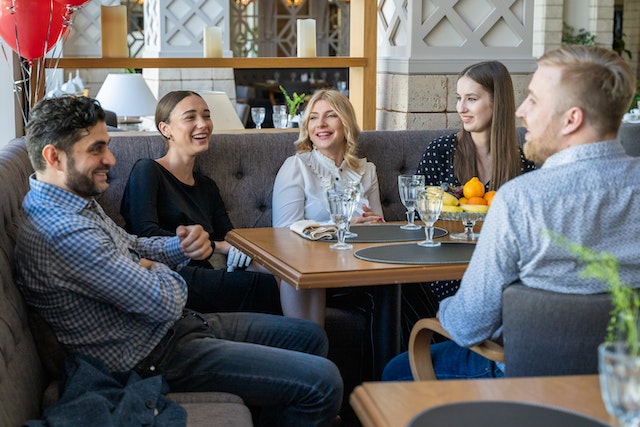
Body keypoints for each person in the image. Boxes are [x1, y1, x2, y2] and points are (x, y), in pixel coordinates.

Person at [15, 95, 343, 426]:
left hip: (176, 328)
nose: (111, 159)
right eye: (96, 149)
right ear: (54, 157)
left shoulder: (73, 201)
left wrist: (178, 248)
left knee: (309, 335)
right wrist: (157, 269)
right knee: (324, 381)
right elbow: (163, 302)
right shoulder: (64, 231)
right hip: (154, 355)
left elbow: (133, 244)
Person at [383, 45, 640, 381]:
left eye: (534, 100)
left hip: (528, 378)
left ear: (572, 119)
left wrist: (445, 314)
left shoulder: (521, 200)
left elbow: (467, 325)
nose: (520, 111)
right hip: (625, 379)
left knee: (396, 371)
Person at [400, 61, 536, 345]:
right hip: (441, 274)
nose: (461, 107)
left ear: (497, 102)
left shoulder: (524, 161)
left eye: (471, 99)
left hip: (495, 278)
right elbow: (414, 213)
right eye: (459, 98)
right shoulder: (441, 151)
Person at [121, 90, 281, 316]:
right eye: (190, 117)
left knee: (281, 274)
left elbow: (230, 236)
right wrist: (218, 247)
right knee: (267, 286)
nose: (203, 124)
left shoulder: (207, 186)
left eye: (206, 116)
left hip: (211, 269)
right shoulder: (147, 170)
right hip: (170, 274)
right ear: (165, 129)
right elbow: (145, 233)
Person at [272, 89, 384, 326]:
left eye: (330, 115)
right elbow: (283, 234)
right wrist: (342, 226)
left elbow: (381, 230)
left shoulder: (367, 171)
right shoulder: (296, 167)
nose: (320, 123)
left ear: (346, 123)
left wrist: (375, 225)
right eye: (313, 117)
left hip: (360, 268)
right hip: (315, 269)